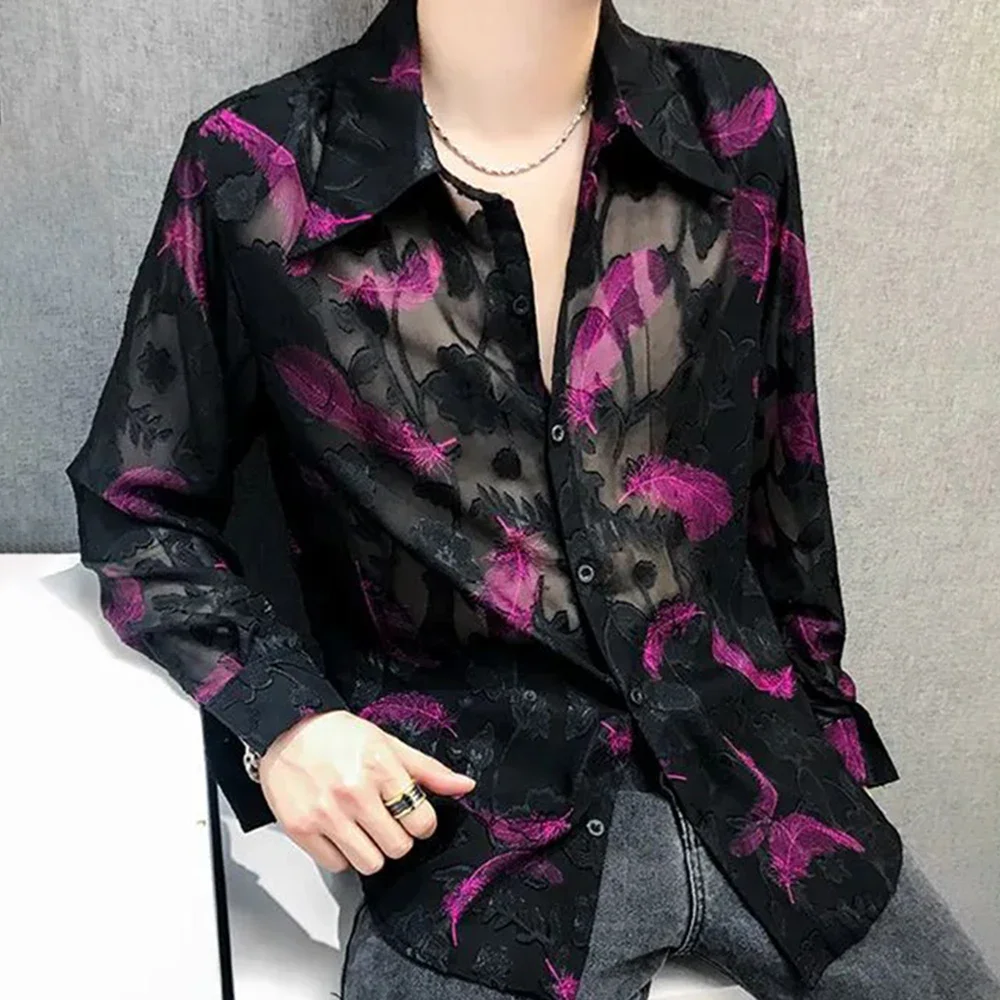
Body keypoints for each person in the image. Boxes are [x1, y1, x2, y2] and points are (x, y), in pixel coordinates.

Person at [64, 0, 1000, 998]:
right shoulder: (258, 168)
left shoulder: (731, 123)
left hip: (756, 775)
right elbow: (139, 502)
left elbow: (784, 461)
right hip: (478, 838)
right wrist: (286, 724)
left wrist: (821, 723)